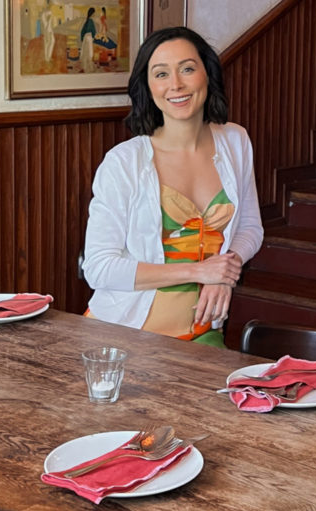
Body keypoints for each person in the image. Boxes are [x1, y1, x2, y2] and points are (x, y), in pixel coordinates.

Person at [82, 26, 262, 345]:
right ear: (148, 87)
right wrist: (199, 273)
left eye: (187, 69)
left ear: (207, 74)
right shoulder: (123, 163)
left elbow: (250, 228)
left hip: (203, 335)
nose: (176, 85)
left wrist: (225, 272)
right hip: (123, 335)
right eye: (161, 74)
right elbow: (99, 269)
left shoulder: (236, 140)